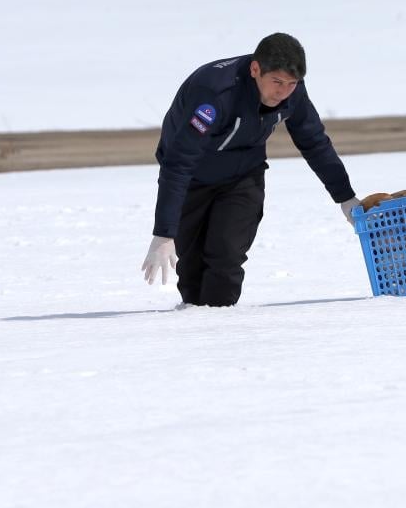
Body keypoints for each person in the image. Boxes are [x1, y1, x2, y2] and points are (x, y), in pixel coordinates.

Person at [140, 33, 361, 307]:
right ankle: (194, 325)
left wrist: (345, 197)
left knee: (226, 254)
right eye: (277, 82)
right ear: (255, 69)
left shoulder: (294, 92)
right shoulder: (214, 94)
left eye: (292, 84)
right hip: (192, 178)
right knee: (192, 265)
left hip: (242, 178)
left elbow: (314, 142)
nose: (283, 92)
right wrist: (164, 233)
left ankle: (220, 325)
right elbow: (179, 162)